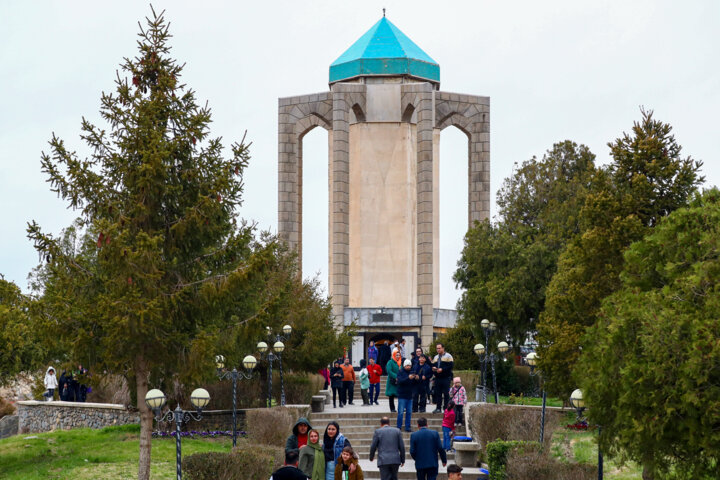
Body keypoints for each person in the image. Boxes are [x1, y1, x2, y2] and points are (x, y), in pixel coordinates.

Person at [431, 343, 454, 413]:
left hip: (446, 378)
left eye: (439, 348)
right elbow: (433, 366)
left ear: (443, 348)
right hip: (438, 378)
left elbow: (451, 366)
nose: (438, 350)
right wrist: (434, 369)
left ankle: (446, 408)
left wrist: (442, 369)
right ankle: (438, 408)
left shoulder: (448, 356)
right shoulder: (435, 357)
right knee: (438, 393)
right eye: (437, 348)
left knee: (446, 394)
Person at [396, 359, 417, 432]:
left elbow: (414, 383)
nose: (409, 367)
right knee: (400, 413)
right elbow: (400, 381)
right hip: (402, 395)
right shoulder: (400, 372)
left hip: (409, 395)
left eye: (410, 365)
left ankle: (407, 427)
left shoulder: (412, 372)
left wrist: (416, 378)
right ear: (404, 366)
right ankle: (398, 426)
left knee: (409, 412)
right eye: (407, 365)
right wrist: (408, 378)